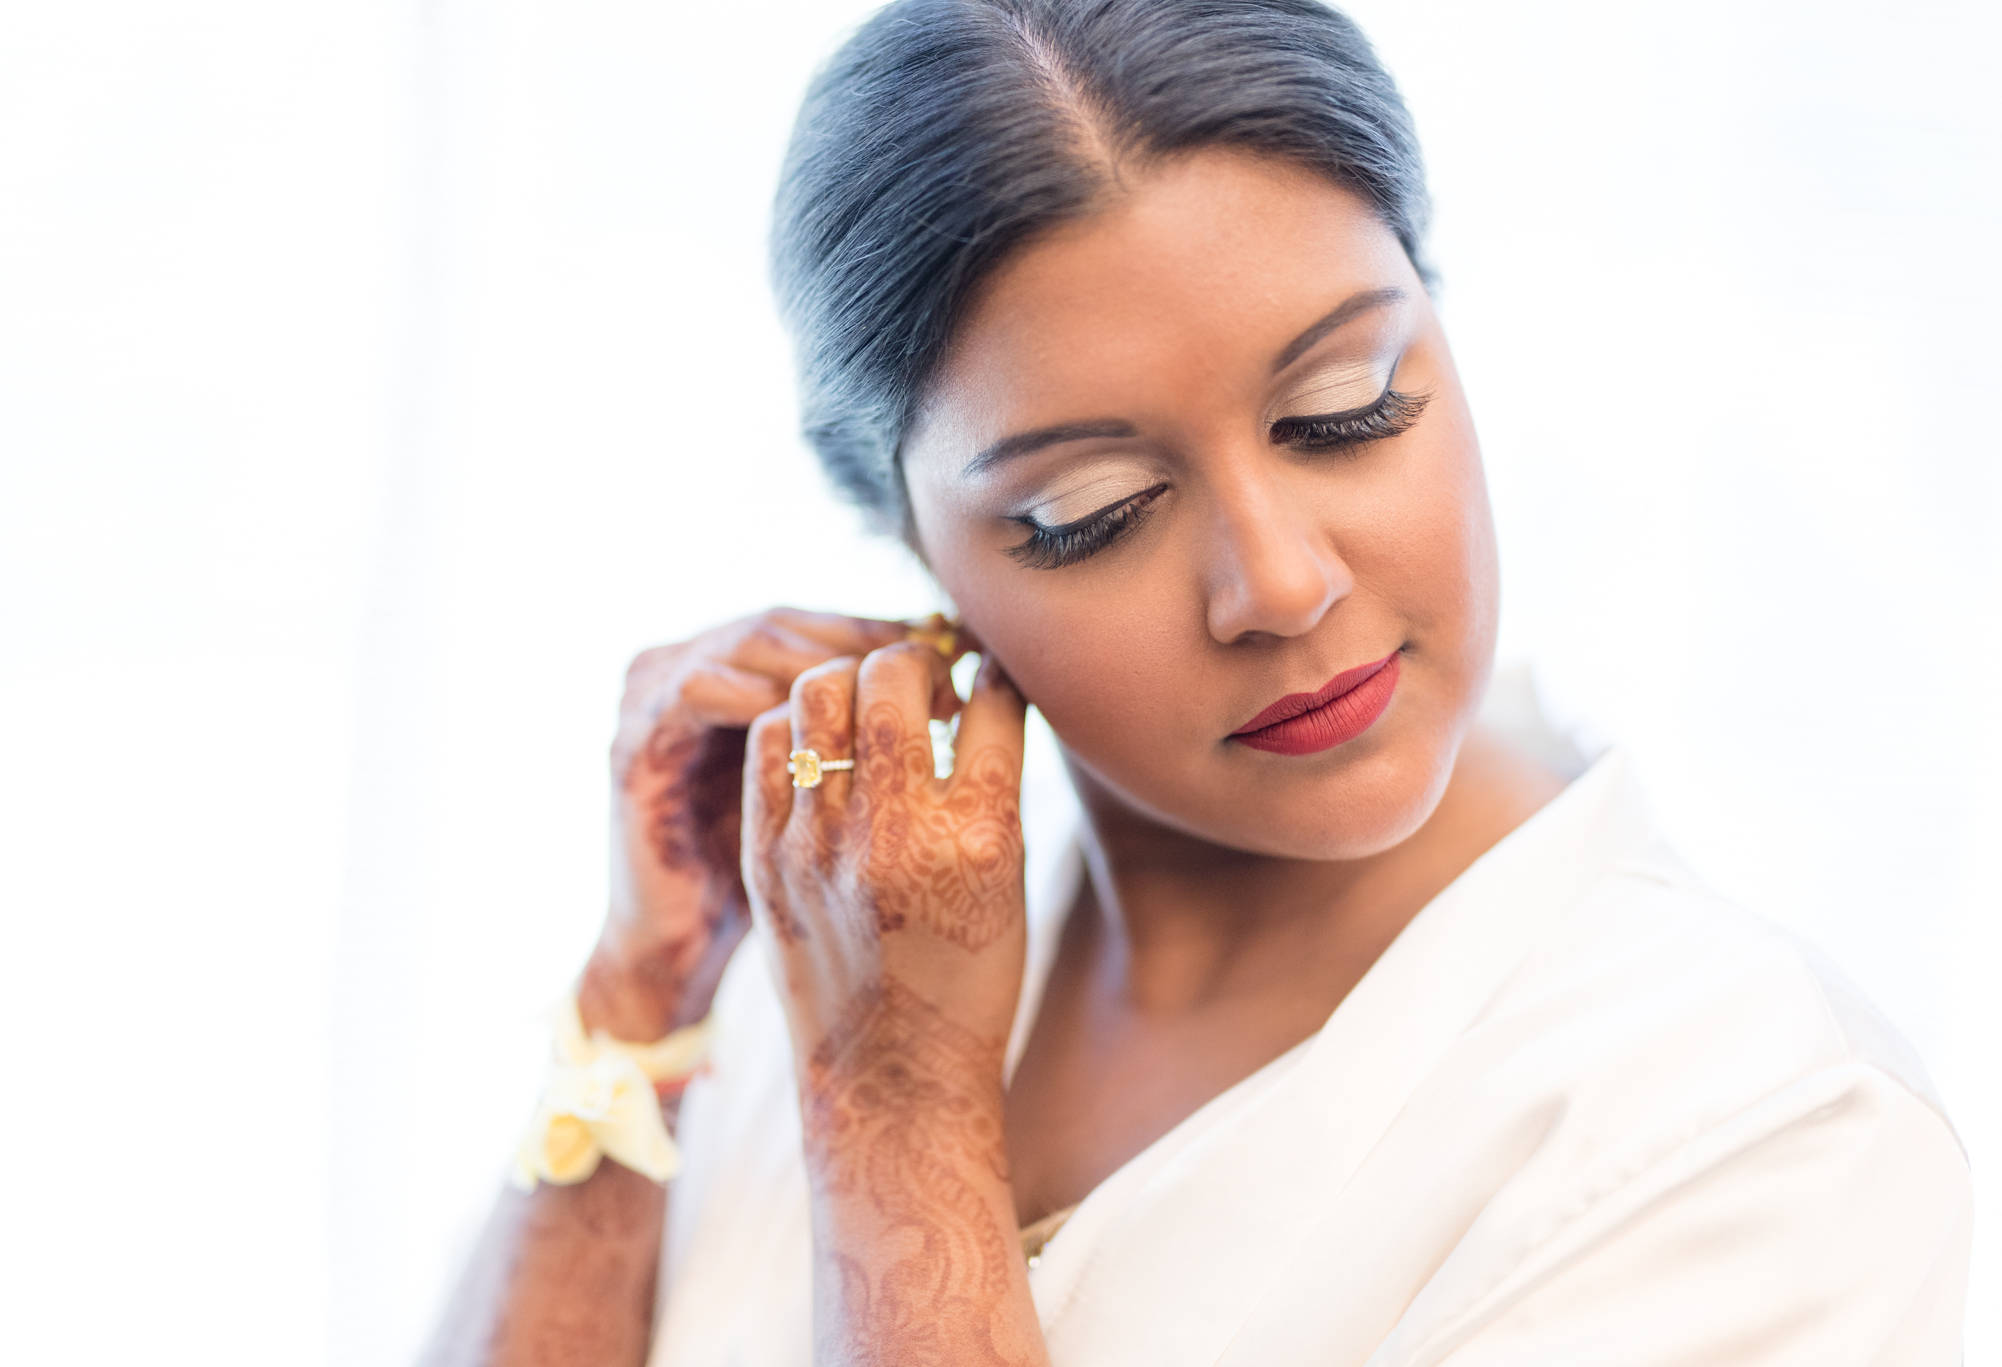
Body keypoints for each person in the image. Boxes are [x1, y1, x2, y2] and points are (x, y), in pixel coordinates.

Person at [423, 1, 1972, 1362]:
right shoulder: (835, 921)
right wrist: (644, 991)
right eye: (1092, 513)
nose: (1281, 583)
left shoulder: (1754, 1132)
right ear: (919, 547)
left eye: (1351, 412)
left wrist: (898, 1112)